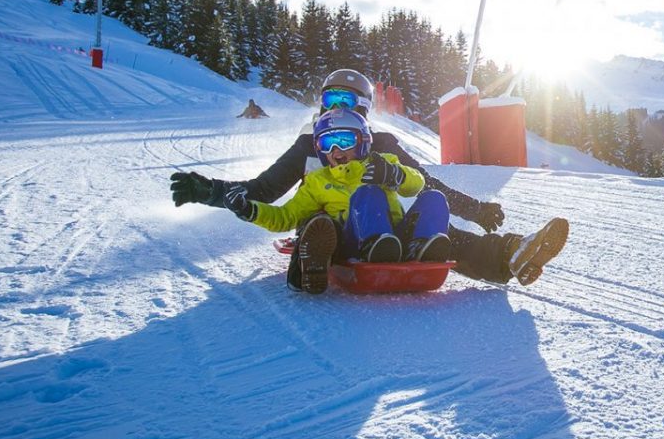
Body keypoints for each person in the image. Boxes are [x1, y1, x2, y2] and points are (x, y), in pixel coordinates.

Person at [170, 69, 568, 289]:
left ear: (364, 111)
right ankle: (311, 260)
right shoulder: (311, 145)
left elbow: (427, 186)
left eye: (347, 104)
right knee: (319, 223)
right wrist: (211, 192)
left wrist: (475, 210)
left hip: (383, 228)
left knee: (439, 229)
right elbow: (262, 192)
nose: (337, 111)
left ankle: (510, 255)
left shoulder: (382, 144)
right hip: (328, 225)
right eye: (329, 102)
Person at [222, 107, 450, 293]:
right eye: (326, 143)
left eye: (344, 140)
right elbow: (285, 217)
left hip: (398, 240)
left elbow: (416, 184)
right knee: (368, 194)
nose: (335, 150)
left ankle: (420, 248)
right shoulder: (318, 181)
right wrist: (250, 210)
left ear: (363, 141)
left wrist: (395, 174)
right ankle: (373, 245)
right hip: (355, 242)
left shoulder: (383, 162)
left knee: (434, 198)